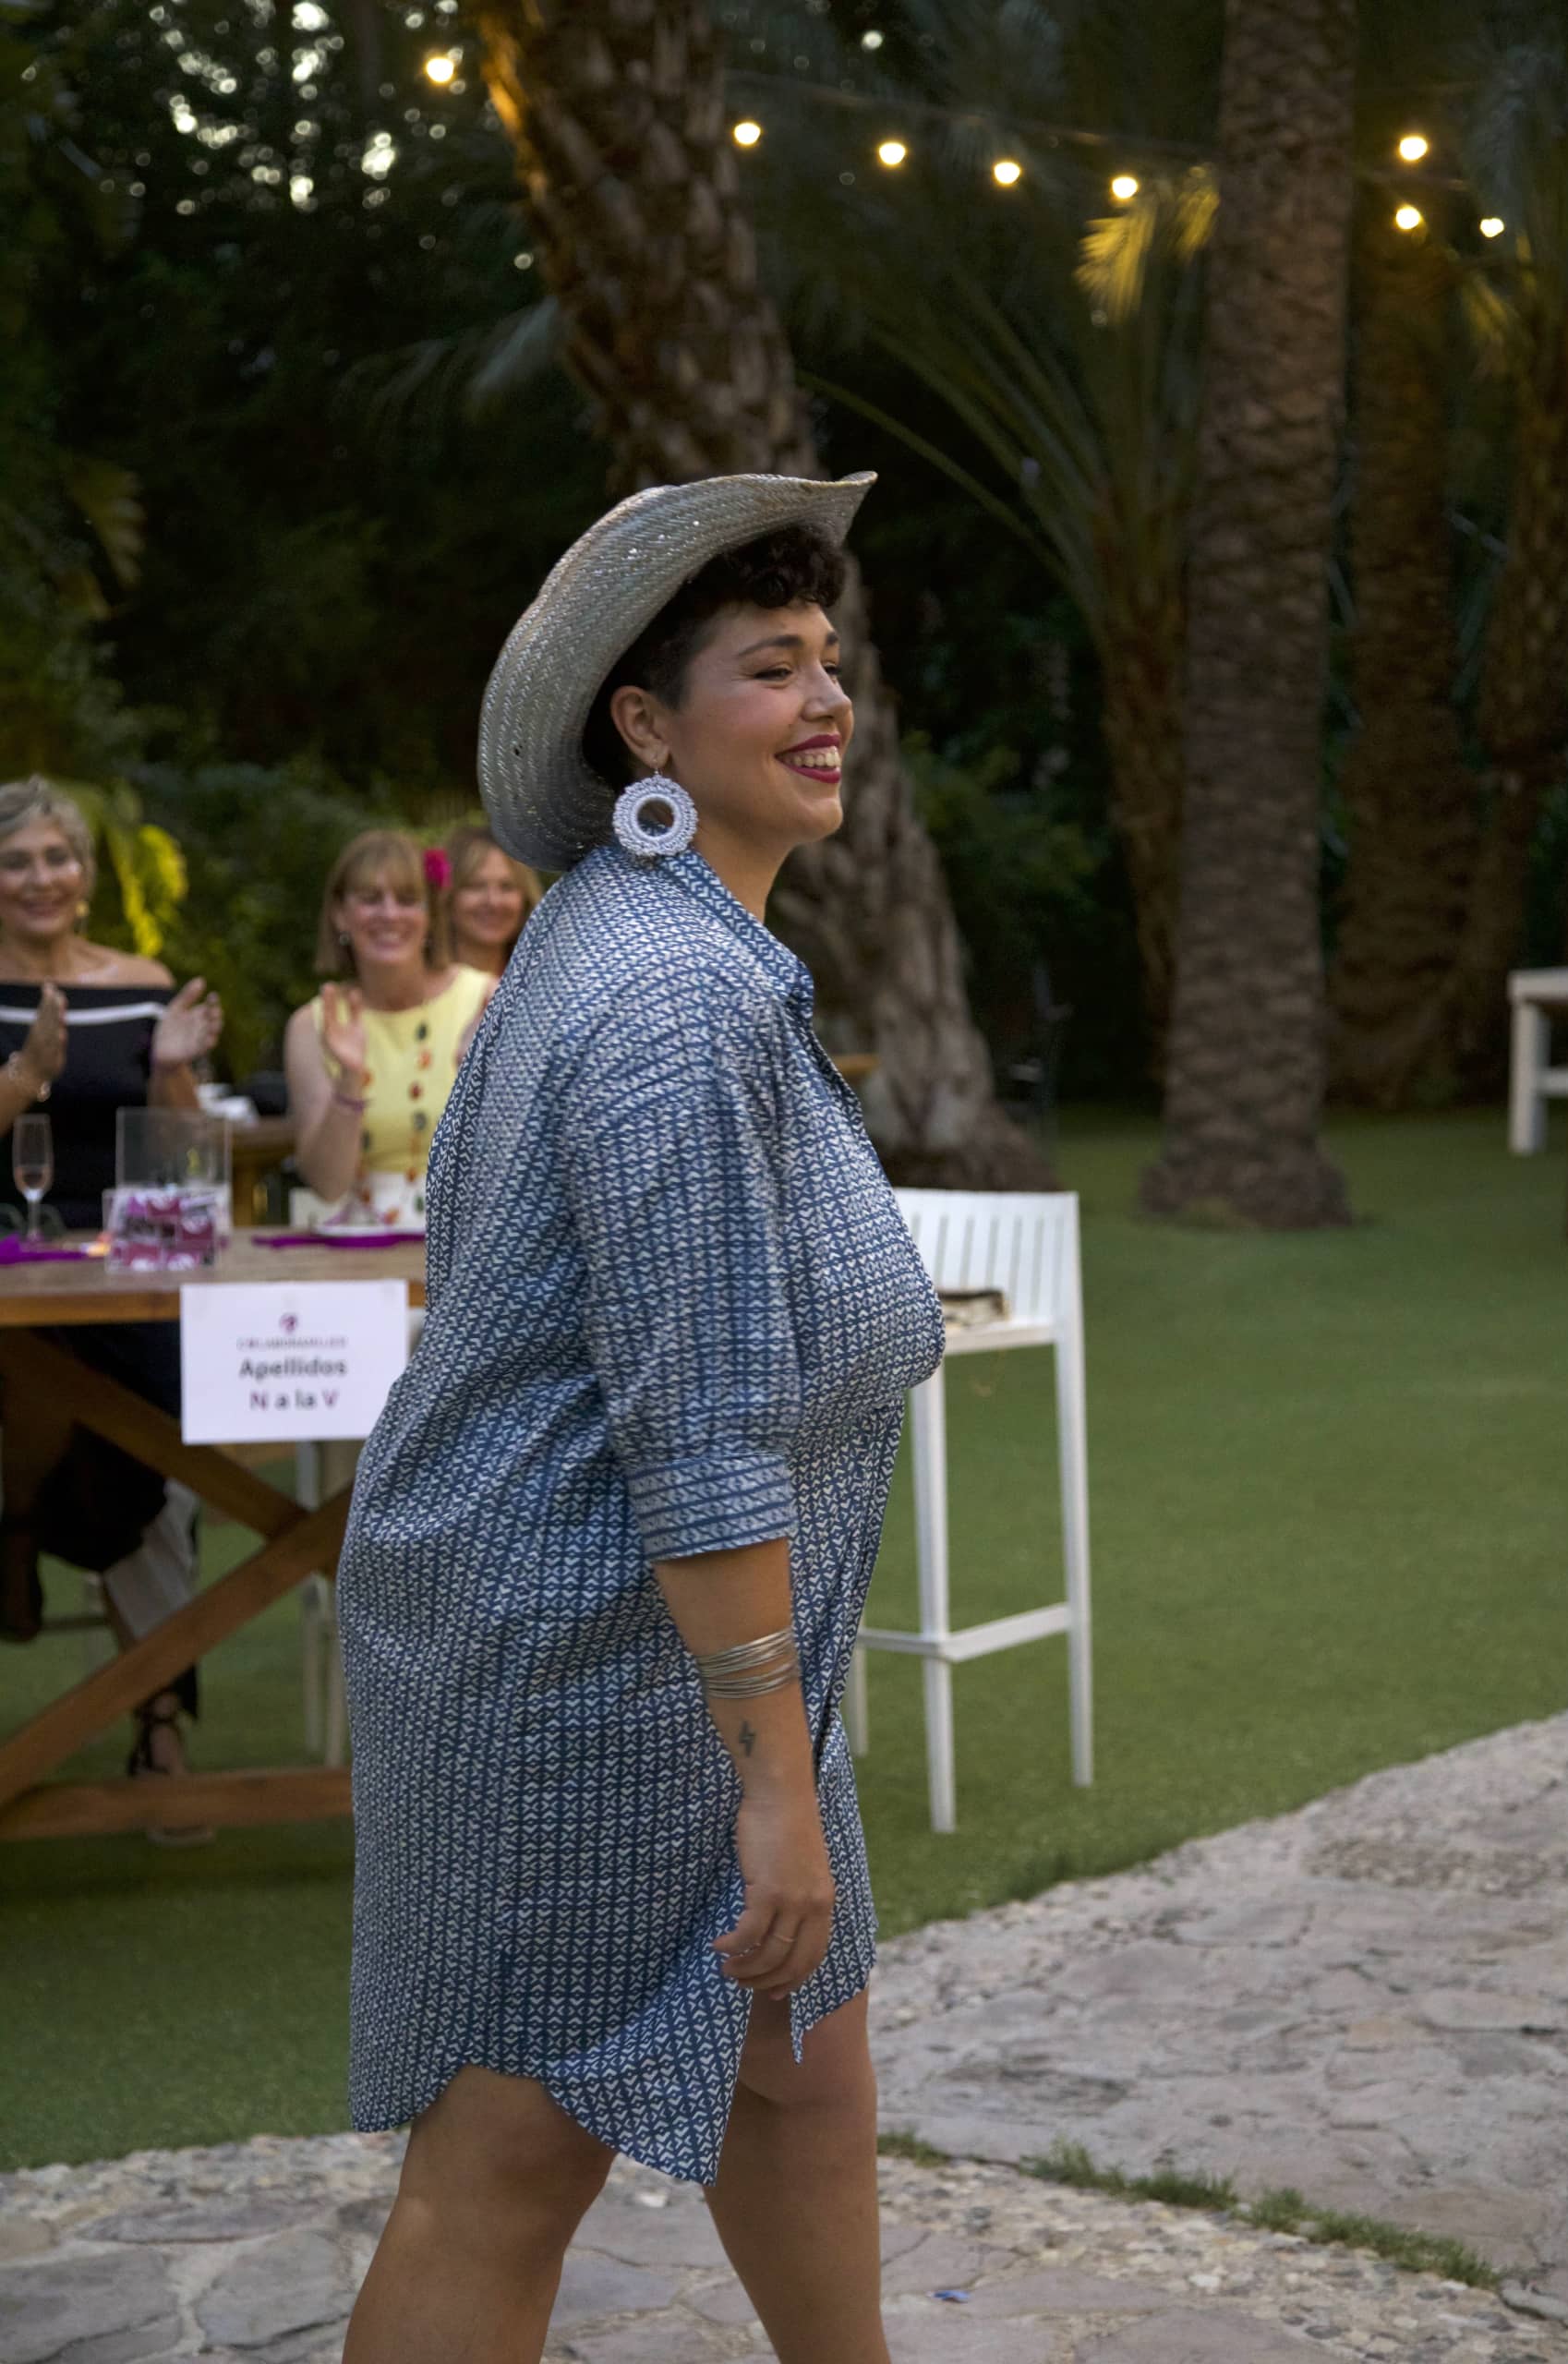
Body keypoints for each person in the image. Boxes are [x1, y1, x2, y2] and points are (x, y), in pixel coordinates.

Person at [338, 471, 945, 2364]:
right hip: (583, 1672)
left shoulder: (660, 942)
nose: (823, 699)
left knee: (795, 2059)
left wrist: (771, 1753)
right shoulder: (670, 1001)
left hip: (691, 1659)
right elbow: (694, 1435)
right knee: (508, 2162)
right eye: (769, 665)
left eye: (827, 658)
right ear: (645, 727)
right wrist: (772, 1780)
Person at [0, 775, 223, 1808]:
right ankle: (20, 1511)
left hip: (133, 1271)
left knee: (163, 1451)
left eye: (56, 857)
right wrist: (25, 1075)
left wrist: (172, 1069)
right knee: (34, 1373)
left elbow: (185, 1162)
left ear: (85, 875)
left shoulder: (140, 984)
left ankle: (158, 1720)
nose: (39, 877)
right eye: (16, 861)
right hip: (12, 1273)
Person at [283, 830, 493, 1228]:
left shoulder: (486, 1001)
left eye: (408, 899)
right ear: (339, 914)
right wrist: (349, 1081)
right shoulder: (312, 1026)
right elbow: (327, 1185)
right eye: (370, 899)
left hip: (472, 1238)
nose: (390, 914)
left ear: (431, 914)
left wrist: (485, 1085)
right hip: (363, 1248)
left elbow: (527, 1163)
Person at [441, 822, 542, 977]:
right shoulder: (419, 983)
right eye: (476, 886)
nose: (494, 901)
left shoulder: (545, 980)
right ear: (447, 896)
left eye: (507, 887)